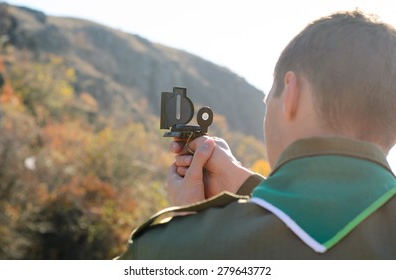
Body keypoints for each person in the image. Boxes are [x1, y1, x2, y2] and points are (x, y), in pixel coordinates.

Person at [118, 10, 396, 259]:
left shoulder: (166, 251)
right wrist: (248, 188)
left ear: (290, 94)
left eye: (267, 101)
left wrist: (192, 231)